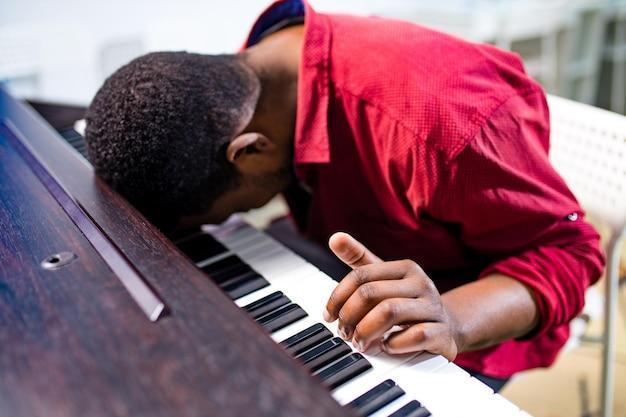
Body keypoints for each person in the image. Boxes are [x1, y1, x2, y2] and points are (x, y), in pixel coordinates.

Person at [84, 0, 604, 391]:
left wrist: (454, 319)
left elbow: (571, 254)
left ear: (250, 151)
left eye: (227, 210)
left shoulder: (443, 126)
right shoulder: (257, 72)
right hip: (353, 240)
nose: (232, 214)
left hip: (459, 303)